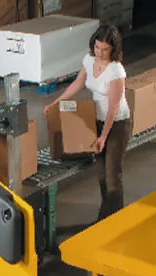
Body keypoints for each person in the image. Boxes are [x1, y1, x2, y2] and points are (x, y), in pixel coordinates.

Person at [50, 24, 130, 222]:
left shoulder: (116, 71)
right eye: (97, 47)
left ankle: (115, 221)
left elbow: (113, 108)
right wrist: (56, 103)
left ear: (113, 49)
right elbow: (78, 83)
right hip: (97, 121)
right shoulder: (89, 59)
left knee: (113, 177)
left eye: (105, 49)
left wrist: (103, 137)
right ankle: (106, 218)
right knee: (101, 176)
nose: (100, 52)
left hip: (117, 125)